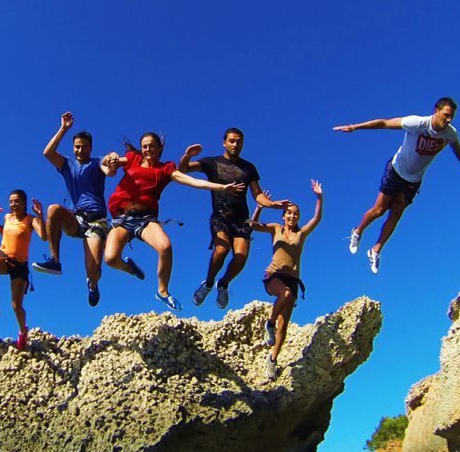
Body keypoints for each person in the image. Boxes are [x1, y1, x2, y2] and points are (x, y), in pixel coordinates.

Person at [334, 98, 460, 274]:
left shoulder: (450, 134)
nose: (448, 120)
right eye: (446, 115)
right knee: (380, 210)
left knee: (395, 214)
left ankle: (375, 250)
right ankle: (358, 232)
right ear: (436, 111)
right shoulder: (417, 123)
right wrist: (355, 127)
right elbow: (385, 123)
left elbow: (458, 149)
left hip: (414, 180)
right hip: (396, 171)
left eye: (452, 117)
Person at [103, 133, 245, 312]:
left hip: (145, 219)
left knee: (165, 247)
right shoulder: (132, 159)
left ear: (159, 148)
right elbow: (109, 163)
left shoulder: (165, 169)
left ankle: (163, 292)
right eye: (145, 146)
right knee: (110, 259)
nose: (148, 150)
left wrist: (222, 187)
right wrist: (111, 158)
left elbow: (193, 181)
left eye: (152, 146)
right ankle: (131, 269)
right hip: (122, 218)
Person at [178, 128, 290, 310]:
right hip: (220, 215)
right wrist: (187, 155)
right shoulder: (211, 162)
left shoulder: (249, 168)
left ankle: (223, 285)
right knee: (221, 250)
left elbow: (258, 195)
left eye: (239, 142)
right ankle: (208, 284)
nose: (235, 145)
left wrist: (272, 204)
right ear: (224, 142)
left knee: (241, 257)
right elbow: (182, 170)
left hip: (241, 219)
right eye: (232, 141)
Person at [33, 111, 114, 307]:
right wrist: (63, 128)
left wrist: (111, 164)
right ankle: (55, 260)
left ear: (90, 148)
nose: (80, 150)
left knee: (93, 270)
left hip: (96, 222)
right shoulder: (68, 165)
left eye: (84, 147)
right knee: (53, 209)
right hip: (75, 218)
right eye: (77, 147)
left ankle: (92, 284)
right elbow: (47, 153)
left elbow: (108, 170)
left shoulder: (97, 162)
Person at [249, 181, 323, 380]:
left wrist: (319, 196)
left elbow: (317, 218)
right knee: (285, 294)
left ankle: (272, 361)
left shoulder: (301, 233)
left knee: (285, 326)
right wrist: (259, 207)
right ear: (283, 216)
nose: (292, 216)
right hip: (274, 275)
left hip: (293, 280)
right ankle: (269, 324)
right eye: (289, 213)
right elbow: (253, 226)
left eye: (295, 213)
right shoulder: (276, 229)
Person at [0, 190, 47, 350]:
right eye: (11, 202)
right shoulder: (7, 218)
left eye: (17, 201)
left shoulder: (30, 220)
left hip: (20, 267)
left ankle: (22, 331)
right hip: (4, 257)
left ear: (24, 203)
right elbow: (5, 233)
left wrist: (41, 216)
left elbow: (44, 236)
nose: (13, 205)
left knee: (16, 306)